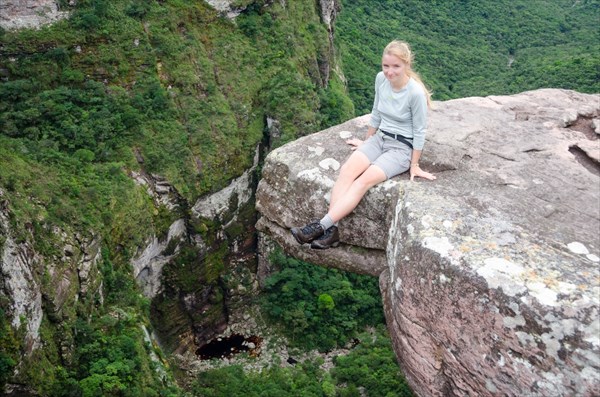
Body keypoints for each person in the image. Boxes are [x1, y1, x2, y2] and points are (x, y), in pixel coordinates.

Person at [291, 40, 436, 249]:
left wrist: (414, 165)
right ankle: (332, 232)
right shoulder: (381, 80)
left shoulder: (415, 93)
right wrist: (367, 141)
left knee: (362, 182)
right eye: (386, 66)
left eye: (396, 66)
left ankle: (319, 227)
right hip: (380, 138)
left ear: (406, 65)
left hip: (401, 148)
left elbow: (420, 131)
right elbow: (376, 113)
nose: (390, 72)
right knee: (347, 171)